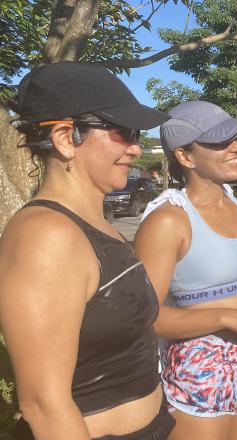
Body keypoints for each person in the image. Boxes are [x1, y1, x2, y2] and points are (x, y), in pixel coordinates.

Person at [0, 61, 173, 439]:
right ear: (66, 138)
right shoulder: (46, 237)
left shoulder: (92, 221)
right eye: (122, 131)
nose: (135, 147)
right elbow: (43, 404)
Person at [133, 101, 237, 439]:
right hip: (198, 373)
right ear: (185, 157)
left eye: (235, 138)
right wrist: (227, 317)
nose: (236, 146)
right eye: (220, 141)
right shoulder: (168, 221)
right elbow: (143, 318)